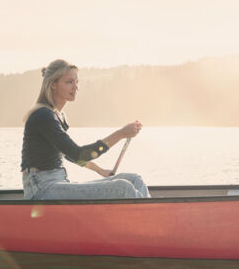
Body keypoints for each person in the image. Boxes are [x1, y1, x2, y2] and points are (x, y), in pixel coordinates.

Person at [21, 59, 149, 200]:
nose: (75, 87)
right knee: (122, 188)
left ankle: (148, 217)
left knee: (134, 179)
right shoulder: (43, 115)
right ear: (53, 85)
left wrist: (100, 170)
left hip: (58, 183)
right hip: (41, 188)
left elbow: (70, 155)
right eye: (69, 82)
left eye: (77, 82)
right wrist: (121, 134)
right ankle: (148, 219)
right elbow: (79, 154)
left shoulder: (59, 116)